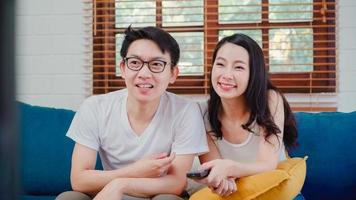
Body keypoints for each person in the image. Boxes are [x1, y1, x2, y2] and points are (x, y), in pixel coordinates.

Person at [56, 26, 208, 200]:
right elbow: (79, 180)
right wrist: (134, 172)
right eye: (135, 63)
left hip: (155, 194)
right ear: (123, 68)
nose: (144, 74)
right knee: (69, 197)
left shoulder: (186, 111)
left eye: (156, 64)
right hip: (107, 195)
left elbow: (176, 183)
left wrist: (121, 183)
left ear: (173, 73)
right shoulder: (95, 107)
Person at [193, 33, 299, 198]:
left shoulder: (270, 100)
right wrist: (220, 178)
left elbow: (268, 165)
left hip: (277, 192)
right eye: (220, 64)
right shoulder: (201, 114)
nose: (226, 75)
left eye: (239, 67)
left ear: (254, 74)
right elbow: (216, 171)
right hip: (235, 195)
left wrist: (229, 168)